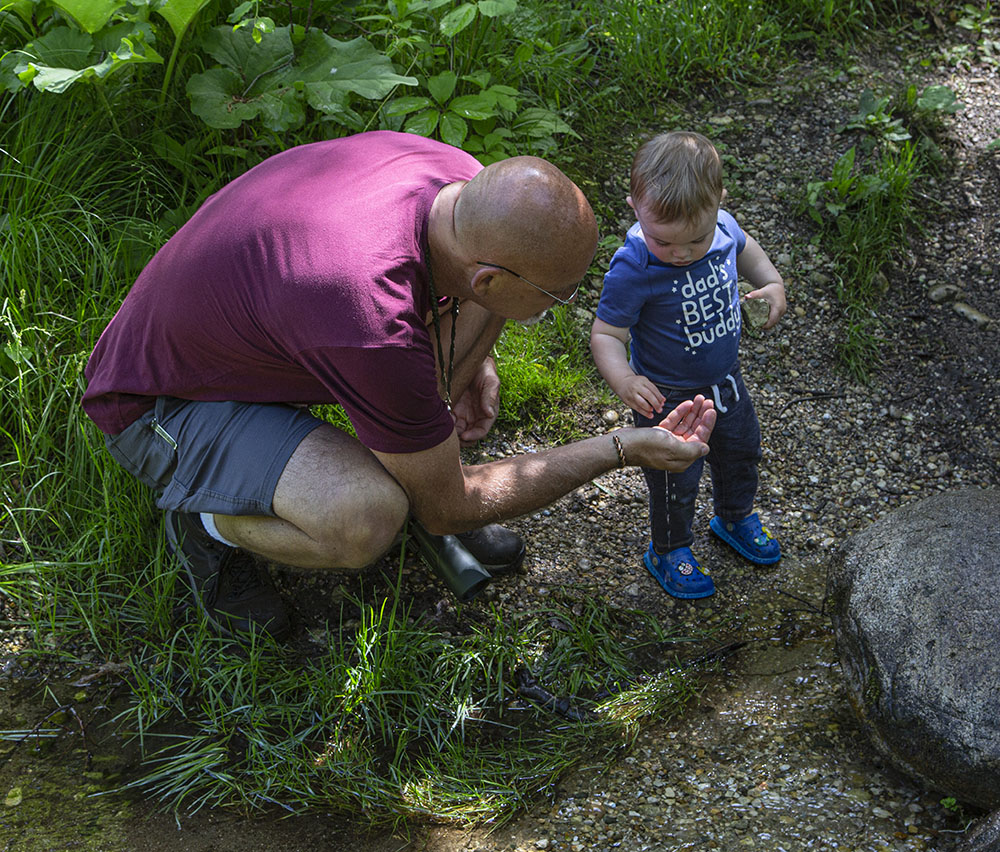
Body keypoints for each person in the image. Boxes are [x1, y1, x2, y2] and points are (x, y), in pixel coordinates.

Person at [83, 130, 717, 640]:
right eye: (557, 295)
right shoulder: (367, 320)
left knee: (463, 342)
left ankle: (417, 451)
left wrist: (469, 365)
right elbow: (451, 504)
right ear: (491, 274)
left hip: (258, 333)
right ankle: (209, 525)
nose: (568, 305)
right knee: (366, 516)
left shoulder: (454, 175)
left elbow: (471, 292)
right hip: (162, 403)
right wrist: (621, 448)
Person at [590, 131, 786, 600]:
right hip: (668, 399)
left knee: (741, 453)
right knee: (673, 477)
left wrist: (773, 285)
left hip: (726, 384)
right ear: (636, 206)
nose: (680, 253)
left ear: (719, 202)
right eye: (664, 241)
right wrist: (625, 378)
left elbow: (748, 252)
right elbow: (606, 334)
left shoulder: (722, 230)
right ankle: (670, 547)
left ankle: (735, 516)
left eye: (695, 240)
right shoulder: (634, 266)